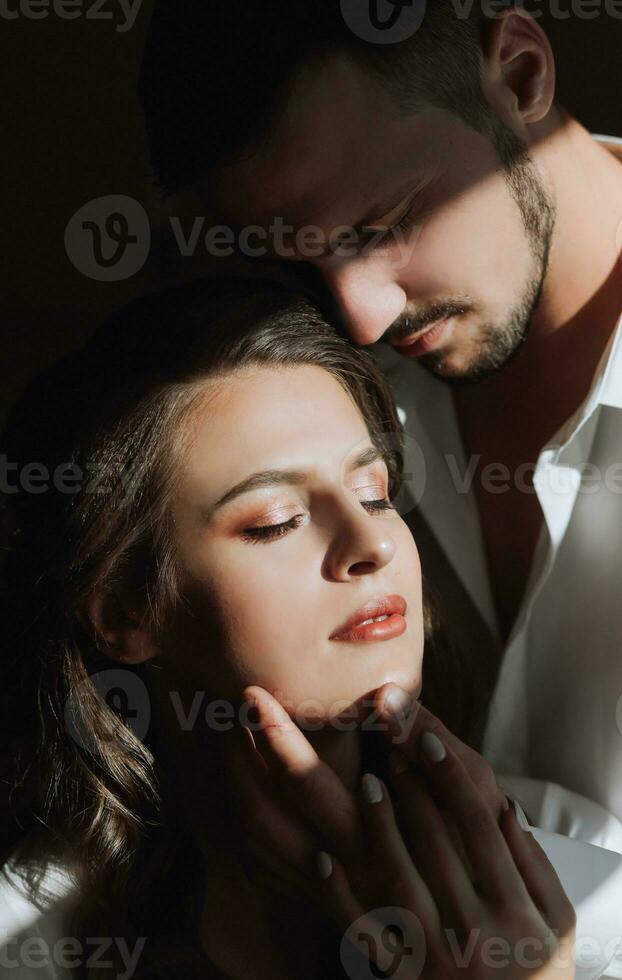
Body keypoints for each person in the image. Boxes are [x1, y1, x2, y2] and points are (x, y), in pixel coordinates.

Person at [136, 3, 622, 974]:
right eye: (295, 252)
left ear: (521, 73)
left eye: (388, 222)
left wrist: (377, 862)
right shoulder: (304, 390)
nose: (359, 316)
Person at [0, 277, 576, 979]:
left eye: (375, 494)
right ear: (124, 617)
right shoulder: (14, 952)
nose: (371, 543)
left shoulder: (578, 874)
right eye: (275, 521)